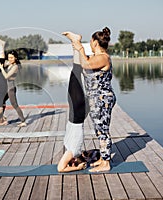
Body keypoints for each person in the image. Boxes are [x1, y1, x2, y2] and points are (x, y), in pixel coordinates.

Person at [62, 27, 116, 172]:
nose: (90, 44)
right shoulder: (95, 56)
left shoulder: (103, 57)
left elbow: (85, 64)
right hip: (95, 99)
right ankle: (103, 158)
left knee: (102, 130)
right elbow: (82, 63)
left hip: (102, 98)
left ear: (95, 43)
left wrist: (79, 46)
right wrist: (76, 46)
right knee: (99, 131)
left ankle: (106, 163)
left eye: (91, 41)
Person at [57, 34, 89, 172]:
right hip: (77, 114)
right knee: (75, 74)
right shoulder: (74, 152)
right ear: (74, 161)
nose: (66, 163)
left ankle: (75, 43)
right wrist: (78, 167)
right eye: (71, 164)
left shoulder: (72, 149)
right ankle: (76, 42)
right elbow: (60, 169)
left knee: (75, 74)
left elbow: (62, 166)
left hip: (76, 113)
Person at [0, 37, 27, 127]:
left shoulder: (15, 66)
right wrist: (1, 63)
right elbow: (2, 62)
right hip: (6, 88)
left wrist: (1, 68)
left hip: (11, 89)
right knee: (1, 102)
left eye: (11, 58)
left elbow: (6, 76)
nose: (9, 59)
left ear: (15, 58)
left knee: (15, 105)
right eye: (9, 57)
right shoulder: (10, 64)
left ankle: (23, 121)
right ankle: (2, 117)